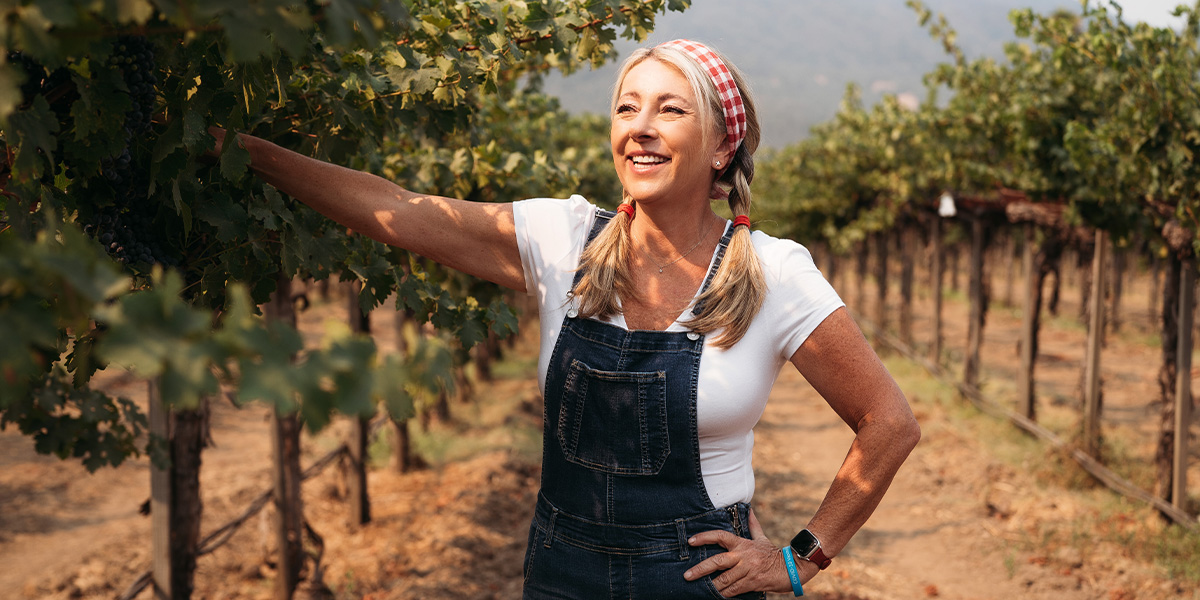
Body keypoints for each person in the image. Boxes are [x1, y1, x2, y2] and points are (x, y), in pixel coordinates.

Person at [212, 38, 920, 599]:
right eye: (626, 109)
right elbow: (394, 209)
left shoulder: (772, 271)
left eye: (670, 110)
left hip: (695, 581)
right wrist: (246, 153)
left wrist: (801, 559)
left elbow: (888, 422)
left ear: (724, 145)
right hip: (561, 570)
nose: (640, 128)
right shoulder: (563, 240)